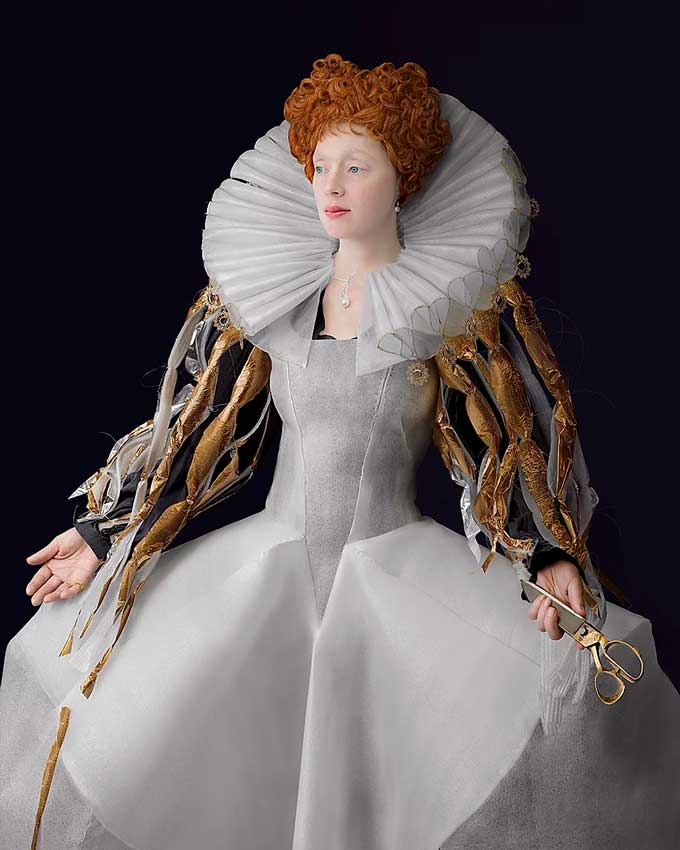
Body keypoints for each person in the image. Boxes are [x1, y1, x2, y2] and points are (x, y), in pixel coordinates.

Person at [1, 53, 678, 850]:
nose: (331, 185)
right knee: (143, 710)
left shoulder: (443, 312)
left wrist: (550, 552)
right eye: (321, 165)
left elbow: (501, 442)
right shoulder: (278, 298)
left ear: (404, 179)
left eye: (357, 167)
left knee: (534, 699)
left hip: (391, 573)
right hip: (268, 568)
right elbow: (198, 426)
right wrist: (100, 532)